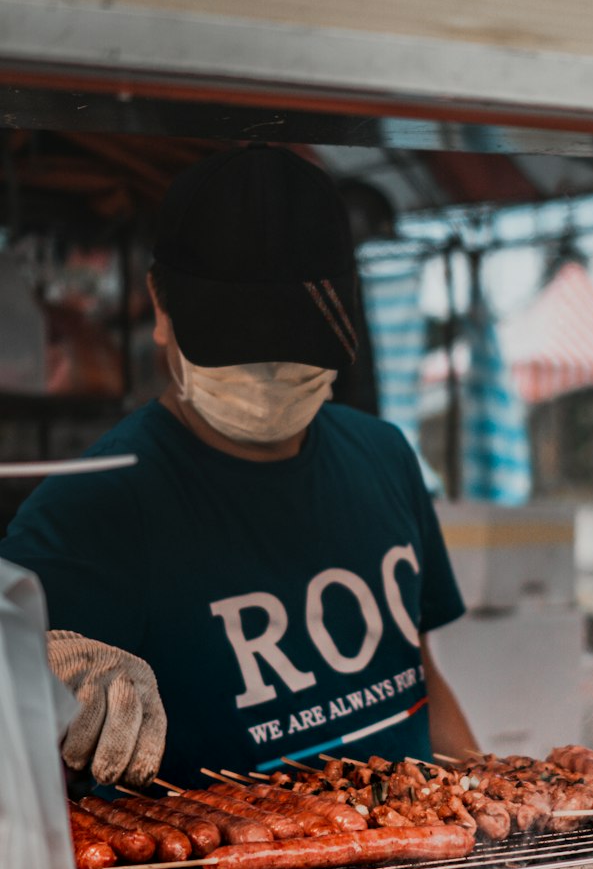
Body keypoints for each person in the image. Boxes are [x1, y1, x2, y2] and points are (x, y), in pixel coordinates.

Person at [0, 145, 476, 786]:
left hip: (424, 863)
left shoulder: (385, 455)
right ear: (160, 309)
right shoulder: (94, 505)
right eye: (242, 348)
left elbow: (418, 675)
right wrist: (32, 675)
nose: (271, 371)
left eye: (293, 345)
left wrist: (487, 814)